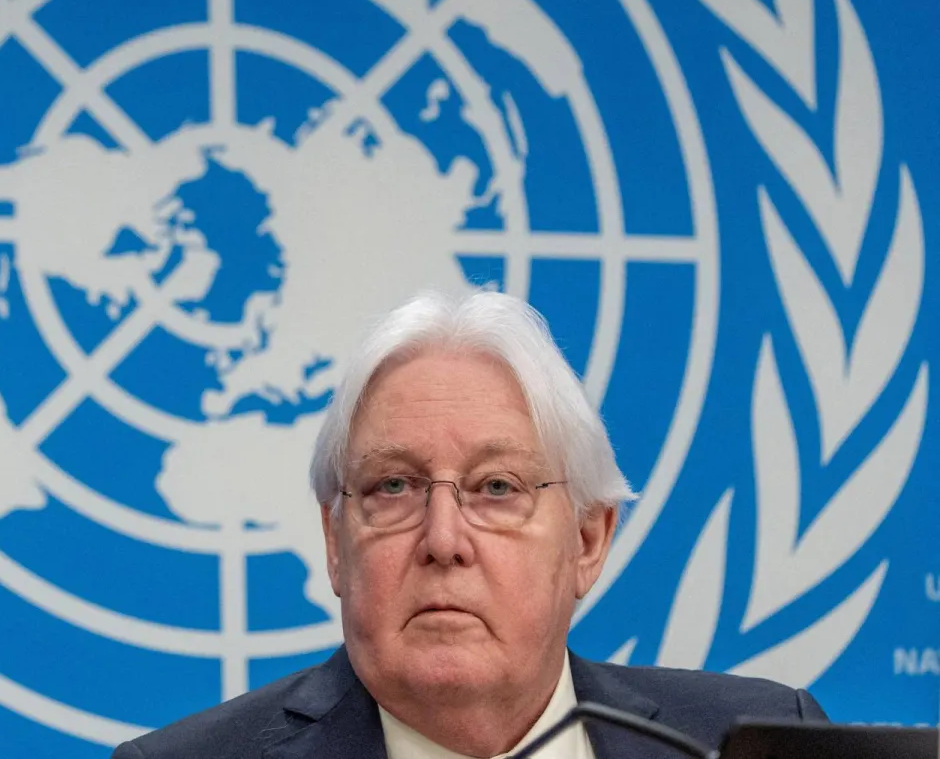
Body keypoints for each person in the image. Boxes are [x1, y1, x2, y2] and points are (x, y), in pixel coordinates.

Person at [112, 290, 825, 758]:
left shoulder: (758, 742)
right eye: (393, 486)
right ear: (335, 543)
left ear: (587, 540)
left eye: (496, 487)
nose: (444, 541)